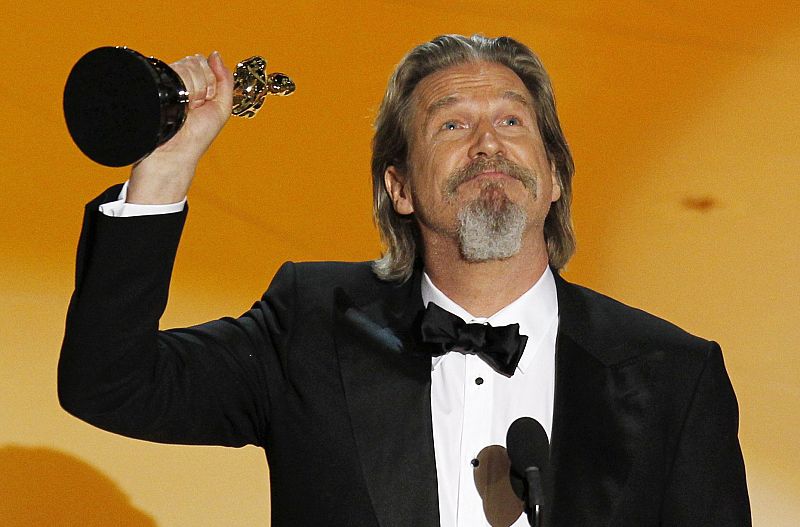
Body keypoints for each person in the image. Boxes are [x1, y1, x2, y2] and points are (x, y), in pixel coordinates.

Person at [58, 35, 751, 526]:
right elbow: (109, 379)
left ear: (555, 181)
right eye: (451, 123)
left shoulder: (672, 375)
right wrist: (167, 166)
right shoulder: (310, 328)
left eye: (512, 120)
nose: (487, 142)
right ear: (400, 187)